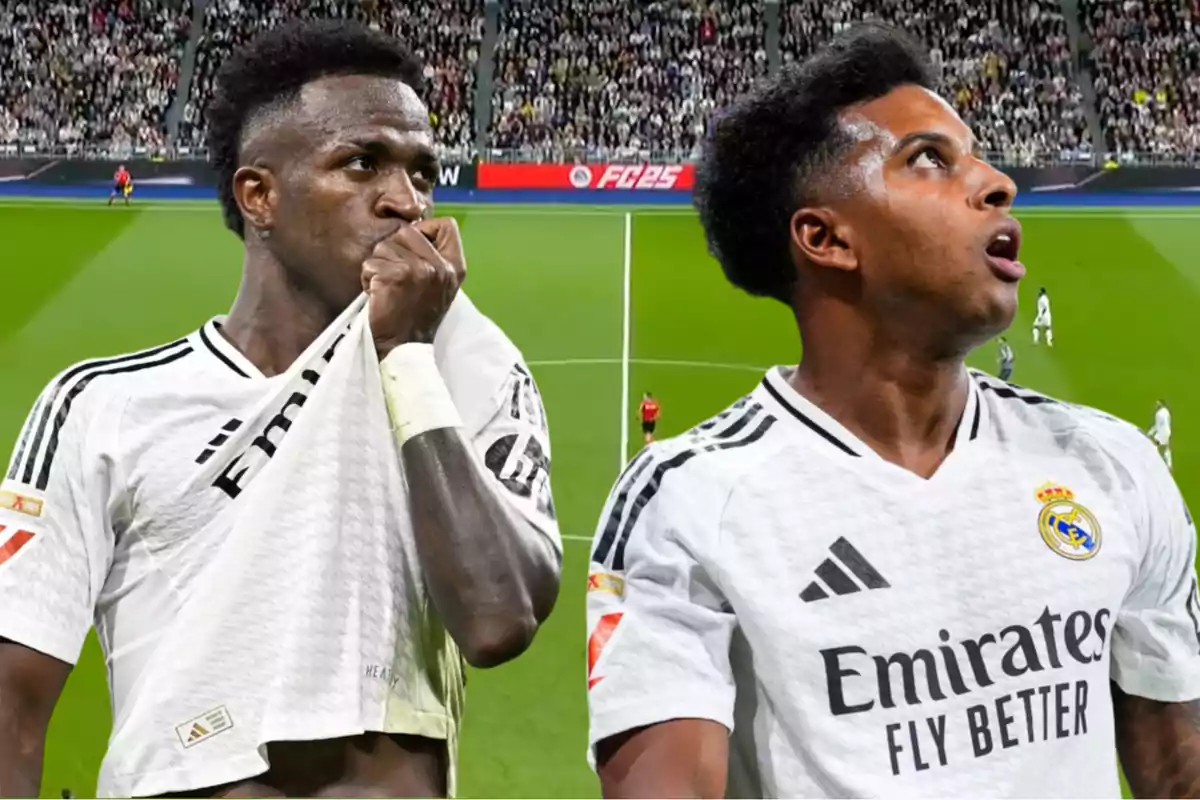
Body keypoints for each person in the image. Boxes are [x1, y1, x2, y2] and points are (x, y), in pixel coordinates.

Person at [586, 23, 1200, 799]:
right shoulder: (688, 506)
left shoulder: (1112, 467)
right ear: (826, 238)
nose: (996, 182)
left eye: (974, 154)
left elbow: (1179, 772)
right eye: (930, 161)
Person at [0, 20, 561, 799]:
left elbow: (500, 619)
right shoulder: (104, 407)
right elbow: (11, 709)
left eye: (423, 172)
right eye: (363, 165)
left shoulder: (466, 360)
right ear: (259, 195)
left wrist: (406, 353)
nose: (406, 202)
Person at [1148, 399, 1173, 471]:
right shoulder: (1166, 411)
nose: (1156, 406)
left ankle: (1153, 463)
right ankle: (1169, 465)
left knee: (1154, 446)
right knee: (1166, 448)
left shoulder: (1158, 414)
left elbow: (1157, 426)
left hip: (1161, 433)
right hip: (1168, 431)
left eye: (1157, 404)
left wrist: (1150, 433)